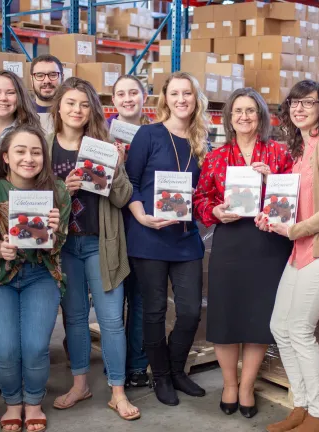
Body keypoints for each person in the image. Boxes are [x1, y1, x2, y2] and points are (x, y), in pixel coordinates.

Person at [193, 88, 293, 419]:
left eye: (251, 110)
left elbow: (294, 196)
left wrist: (273, 180)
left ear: (261, 116)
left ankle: (247, 385)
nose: (244, 116)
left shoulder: (279, 154)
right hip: (230, 242)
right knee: (226, 315)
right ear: (230, 117)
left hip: (268, 243)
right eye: (238, 111)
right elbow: (200, 199)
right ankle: (229, 384)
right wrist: (216, 212)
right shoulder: (216, 157)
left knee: (256, 317)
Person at [47, 78, 140, 420]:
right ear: (58, 107)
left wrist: (115, 169)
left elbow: (122, 196)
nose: (77, 110)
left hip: (102, 244)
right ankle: (80, 384)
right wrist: (63, 191)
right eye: (70, 103)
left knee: (112, 320)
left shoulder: (104, 145)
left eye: (84, 105)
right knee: (73, 318)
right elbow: (32, 202)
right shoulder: (45, 146)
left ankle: (118, 391)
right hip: (65, 246)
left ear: (92, 111)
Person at [262, 80, 319, 432]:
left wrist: (296, 230)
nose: (299, 109)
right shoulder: (300, 148)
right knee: (279, 326)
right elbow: (298, 203)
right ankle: (301, 406)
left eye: (308, 103)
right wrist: (272, 214)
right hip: (301, 248)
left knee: (299, 328)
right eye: (294, 103)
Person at [0, 125, 71, 432]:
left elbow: (59, 245)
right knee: (4, 349)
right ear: (5, 157)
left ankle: (33, 401)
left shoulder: (58, 189)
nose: (29, 158)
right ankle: (12, 402)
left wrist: (54, 230)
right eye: (20, 151)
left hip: (40, 275)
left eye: (36, 151)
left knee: (34, 346)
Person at [124, 71, 208, 406]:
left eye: (187, 93)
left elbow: (206, 190)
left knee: (189, 312)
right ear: (165, 98)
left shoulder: (202, 142)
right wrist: (141, 214)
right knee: (154, 311)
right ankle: (160, 376)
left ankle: (176, 369)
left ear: (195, 98)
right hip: (149, 235)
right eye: (175, 94)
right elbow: (129, 180)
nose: (181, 100)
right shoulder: (148, 134)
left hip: (185, 238)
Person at [108, 74, 152, 388]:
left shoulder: (156, 133)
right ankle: (114, 364)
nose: (127, 99)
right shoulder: (99, 134)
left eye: (133, 93)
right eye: (121, 94)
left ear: (144, 97)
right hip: (110, 221)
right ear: (113, 101)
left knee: (138, 298)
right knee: (111, 300)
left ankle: (136, 364)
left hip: (142, 225)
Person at [0, 70, 42, 184]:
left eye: (10, 93)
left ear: (19, 98)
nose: (3, 98)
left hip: (10, 199)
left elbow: (38, 174)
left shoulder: (30, 135)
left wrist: (5, 160)